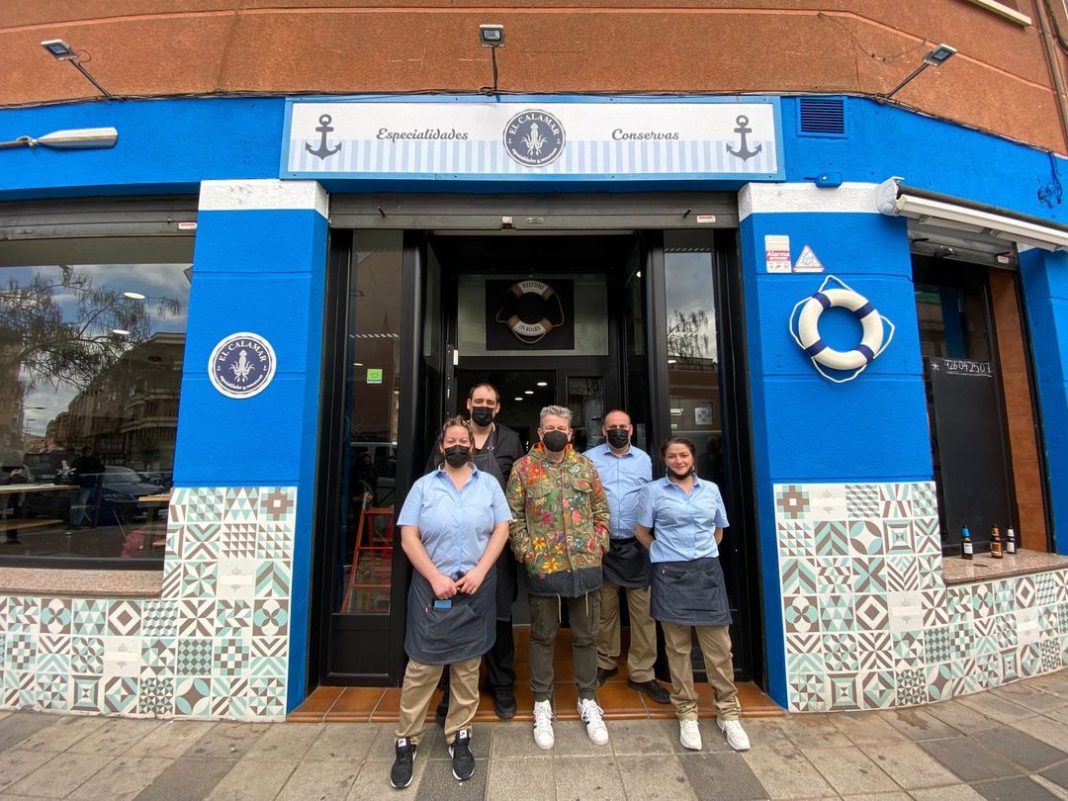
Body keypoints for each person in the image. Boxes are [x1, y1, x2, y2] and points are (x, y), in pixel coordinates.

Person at [389, 416, 512, 789]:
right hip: (433, 586)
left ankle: (460, 734)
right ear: (442, 447)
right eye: (451, 440)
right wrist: (435, 577)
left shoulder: (488, 485)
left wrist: (480, 571)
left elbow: (502, 528)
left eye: (463, 440)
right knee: (422, 667)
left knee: (468, 667)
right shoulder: (424, 487)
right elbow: (408, 536)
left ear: (472, 446)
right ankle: (406, 740)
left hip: (475, 586)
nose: (458, 445)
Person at [635, 436, 751, 753]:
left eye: (683, 455)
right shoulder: (653, 492)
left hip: (706, 574)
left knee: (719, 649)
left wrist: (703, 552)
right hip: (669, 575)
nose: (679, 460)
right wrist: (662, 552)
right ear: (664, 460)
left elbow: (719, 529)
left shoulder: (710, 490)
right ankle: (687, 713)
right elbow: (642, 532)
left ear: (693, 458)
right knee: (678, 649)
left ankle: (728, 713)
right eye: (672, 456)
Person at [506, 404, 611, 749]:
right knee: (542, 636)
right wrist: (527, 553)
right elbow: (513, 518)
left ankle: (588, 699)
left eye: (561, 428)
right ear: (540, 432)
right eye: (549, 427)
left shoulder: (586, 466)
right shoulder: (523, 469)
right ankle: (542, 702)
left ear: (570, 433)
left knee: (586, 636)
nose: (555, 433)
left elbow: (601, 510)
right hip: (544, 568)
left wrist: (598, 544)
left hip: (584, 566)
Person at [426, 382, 524, 721]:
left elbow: (519, 489)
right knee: (453, 616)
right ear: (468, 404)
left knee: (499, 615)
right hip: (453, 544)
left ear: (497, 408)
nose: (483, 406)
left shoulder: (510, 440)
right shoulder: (452, 436)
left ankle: (501, 684)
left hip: (497, 544)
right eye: (478, 401)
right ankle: (450, 691)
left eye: (489, 402)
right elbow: (430, 483)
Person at [584, 410, 670, 705]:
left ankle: (642, 673)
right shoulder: (589, 459)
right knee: (605, 611)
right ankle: (605, 661)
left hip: (639, 545)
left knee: (643, 614)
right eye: (612, 427)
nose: (618, 431)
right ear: (603, 430)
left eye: (623, 426)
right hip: (604, 546)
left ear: (631, 430)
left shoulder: (646, 460)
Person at [69, 445, 104, 527]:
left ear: (91, 452)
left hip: (86, 484)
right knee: (74, 503)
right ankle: (73, 522)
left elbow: (101, 469)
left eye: (89, 451)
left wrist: (90, 474)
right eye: (86, 452)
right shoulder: (78, 461)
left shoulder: (95, 461)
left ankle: (77, 522)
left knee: (81, 502)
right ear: (83, 452)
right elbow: (72, 471)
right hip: (77, 483)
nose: (87, 453)